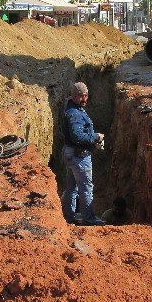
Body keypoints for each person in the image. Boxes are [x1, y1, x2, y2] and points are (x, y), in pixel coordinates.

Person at [61, 82, 106, 226]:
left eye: (86, 95)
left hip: (70, 154)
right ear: (73, 96)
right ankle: (89, 219)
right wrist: (96, 137)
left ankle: (69, 217)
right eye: (81, 96)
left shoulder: (74, 108)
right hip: (79, 156)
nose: (84, 99)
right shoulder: (74, 114)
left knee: (71, 188)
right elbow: (77, 137)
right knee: (86, 188)